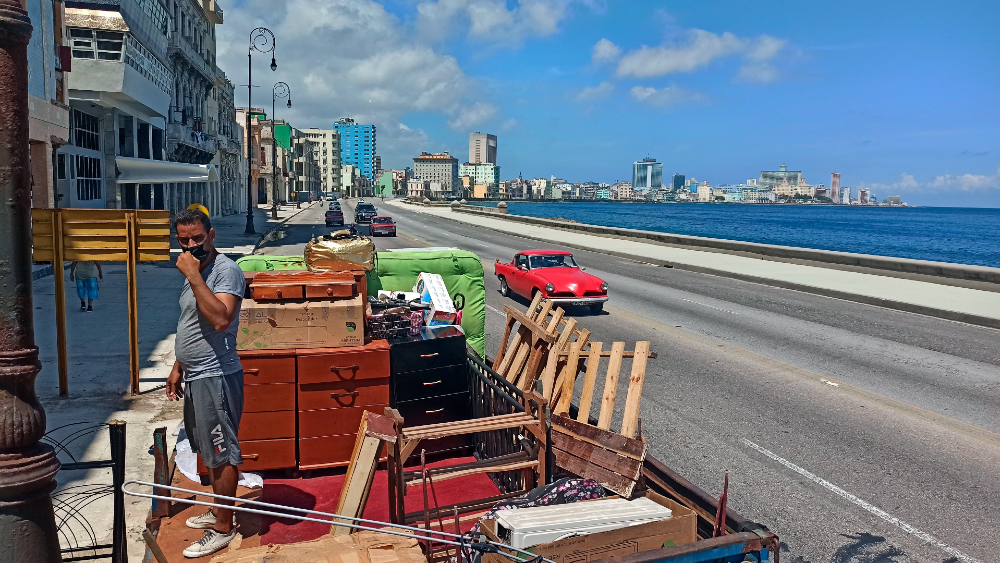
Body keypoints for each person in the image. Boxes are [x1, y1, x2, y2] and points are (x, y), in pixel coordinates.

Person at [165, 209, 247, 558]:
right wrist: (177, 366)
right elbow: (190, 321)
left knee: (221, 451)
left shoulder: (226, 270)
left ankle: (224, 529)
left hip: (216, 374)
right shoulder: (195, 270)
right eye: (184, 240)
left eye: (198, 238)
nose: (191, 245)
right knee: (208, 453)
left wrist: (193, 274)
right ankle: (219, 508)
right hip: (195, 373)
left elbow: (220, 319)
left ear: (211, 235)